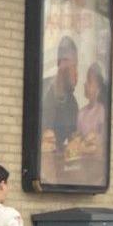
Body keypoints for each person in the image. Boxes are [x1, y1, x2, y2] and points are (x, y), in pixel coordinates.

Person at [39, 35, 80, 176]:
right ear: (60, 62)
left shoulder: (72, 104)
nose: (75, 72)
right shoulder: (41, 90)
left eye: (76, 65)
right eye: (71, 64)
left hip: (58, 171)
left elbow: (72, 142)